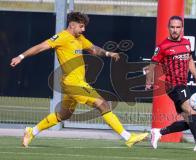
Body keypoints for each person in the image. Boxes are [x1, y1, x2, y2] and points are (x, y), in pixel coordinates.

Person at [10, 12, 148, 148]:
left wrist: (108, 53)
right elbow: (40, 47)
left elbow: (93, 49)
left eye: (84, 27)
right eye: (81, 26)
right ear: (72, 25)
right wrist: (21, 57)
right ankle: (128, 137)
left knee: (64, 115)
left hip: (73, 84)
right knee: (103, 104)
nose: (84, 29)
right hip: (73, 84)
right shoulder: (62, 37)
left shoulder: (79, 38)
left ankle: (31, 132)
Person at [145, 16, 196, 152]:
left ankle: (158, 132)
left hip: (183, 84)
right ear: (168, 28)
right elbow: (152, 65)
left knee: (191, 120)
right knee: (192, 112)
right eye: (172, 27)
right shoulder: (163, 46)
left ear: (182, 28)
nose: (175, 30)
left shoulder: (187, 43)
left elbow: (190, 60)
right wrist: (149, 81)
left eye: (178, 27)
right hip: (173, 86)